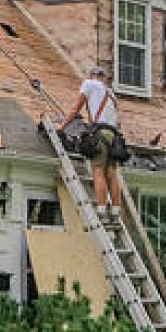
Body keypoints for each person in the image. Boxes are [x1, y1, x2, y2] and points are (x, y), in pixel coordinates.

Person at [58, 65, 122, 221]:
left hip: (100, 133)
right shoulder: (111, 94)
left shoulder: (89, 84)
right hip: (113, 136)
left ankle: (101, 211)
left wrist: (62, 126)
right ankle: (115, 211)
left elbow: (75, 108)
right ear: (103, 77)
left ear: (91, 75)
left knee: (98, 170)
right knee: (111, 174)